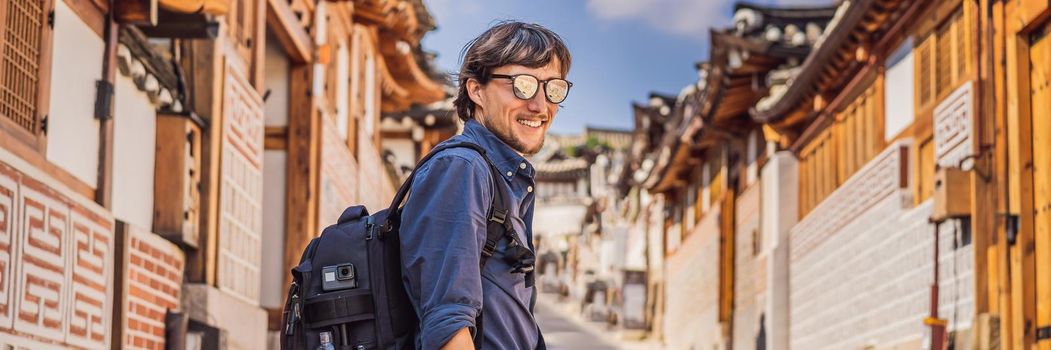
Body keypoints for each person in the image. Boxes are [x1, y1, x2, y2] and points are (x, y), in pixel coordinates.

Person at [398, 21, 573, 350]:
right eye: (522, 85)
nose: (540, 105)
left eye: (553, 88)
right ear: (475, 90)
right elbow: (448, 324)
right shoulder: (462, 169)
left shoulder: (505, 180)